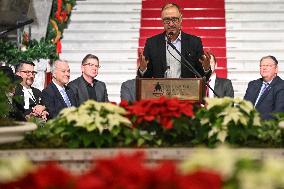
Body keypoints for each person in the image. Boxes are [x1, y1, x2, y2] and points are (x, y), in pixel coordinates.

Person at [137, 3, 211, 79]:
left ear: (181, 19)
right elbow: (145, 78)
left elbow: (202, 76)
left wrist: (206, 68)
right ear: (162, 21)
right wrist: (143, 69)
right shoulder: (152, 43)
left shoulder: (194, 42)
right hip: (160, 90)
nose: (171, 24)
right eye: (167, 20)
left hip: (186, 90)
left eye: (174, 19)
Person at [244, 55, 284, 120]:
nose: (264, 68)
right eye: (262, 66)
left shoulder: (281, 86)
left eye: (268, 66)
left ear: (276, 69)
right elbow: (244, 106)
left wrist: (255, 120)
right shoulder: (252, 84)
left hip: (267, 126)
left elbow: (279, 112)